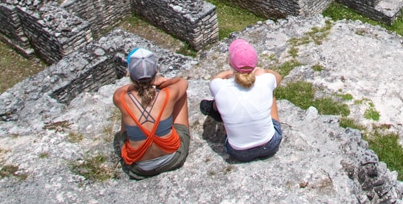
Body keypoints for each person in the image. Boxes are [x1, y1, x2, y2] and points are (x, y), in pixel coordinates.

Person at [113, 48, 190, 179]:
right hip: (172, 159)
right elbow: (182, 82)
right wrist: (157, 81)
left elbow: (123, 90)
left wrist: (139, 85)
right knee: (181, 93)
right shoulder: (168, 95)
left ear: (131, 75)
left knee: (126, 108)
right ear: (155, 72)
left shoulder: (119, 97)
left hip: (139, 167)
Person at [202, 38, 283, 162]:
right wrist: (262, 71)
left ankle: (213, 109)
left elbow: (216, 79)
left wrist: (230, 73)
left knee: (222, 99)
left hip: (238, 152)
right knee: (270, 92)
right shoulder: (265, 81)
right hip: (270, 145)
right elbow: (277, 77)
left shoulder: (218, 86)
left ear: (230, 62)